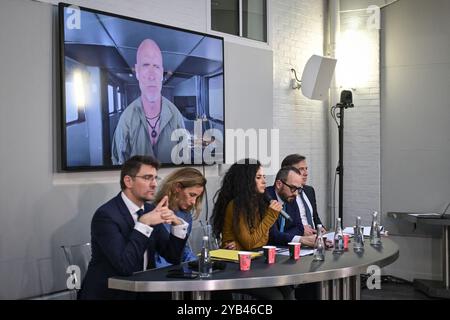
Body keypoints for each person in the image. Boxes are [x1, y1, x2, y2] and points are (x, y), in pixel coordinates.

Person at [78, 155, 189, 300]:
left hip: (143, 291)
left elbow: (172, 257)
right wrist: (143, 224)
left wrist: (177, 225)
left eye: (155, 178)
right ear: (128, 181)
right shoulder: (106, 216)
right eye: (147, 178)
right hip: (110, 293)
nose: (154, 184)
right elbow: (125, 266)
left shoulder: (150, 209)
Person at [211, 159, 294, 300]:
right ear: (246, 181)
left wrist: (242, 244)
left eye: (264, 177)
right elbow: (251, 243)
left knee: (287, 289)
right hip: (235, 267)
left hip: (253, 262)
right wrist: (271, 216)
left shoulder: (258, 203)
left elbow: (261, 240)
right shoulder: (236, 205)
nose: (264, 181)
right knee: (275, 297)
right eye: (258, 177)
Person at [111, 39, 186, 165]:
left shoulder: (176, 116)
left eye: (156, 66)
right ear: (137, 71)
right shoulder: (126, 120)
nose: (152, 75)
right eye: (145, 65)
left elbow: (184, 162)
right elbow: (119, 166)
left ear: (162, 73)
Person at [153, 167, 207, 267]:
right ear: (177, 188)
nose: (194, 202)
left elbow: (183, 249)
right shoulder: (153, 210)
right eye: (192, 195)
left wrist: (199, 264)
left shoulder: (186, 215)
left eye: (197, 197)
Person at [266, 166, 316, 247]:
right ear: (279, 184)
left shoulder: (290, 197)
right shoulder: (266, 198)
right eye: (293, 188)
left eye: (298, 189)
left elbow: (299, 228)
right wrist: (301, 239)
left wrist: (283, 236)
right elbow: (272, 235)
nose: (296, 193)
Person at [281, 154, 326, 235]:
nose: (306, 173)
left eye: (306, 169)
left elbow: (315, 217)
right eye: (301, 169)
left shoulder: (309, 190)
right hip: (298, 239)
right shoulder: (284, 193)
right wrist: (301, 230)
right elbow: (284, 226)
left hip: (315, 238)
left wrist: (321, 228)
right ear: (288, 172)